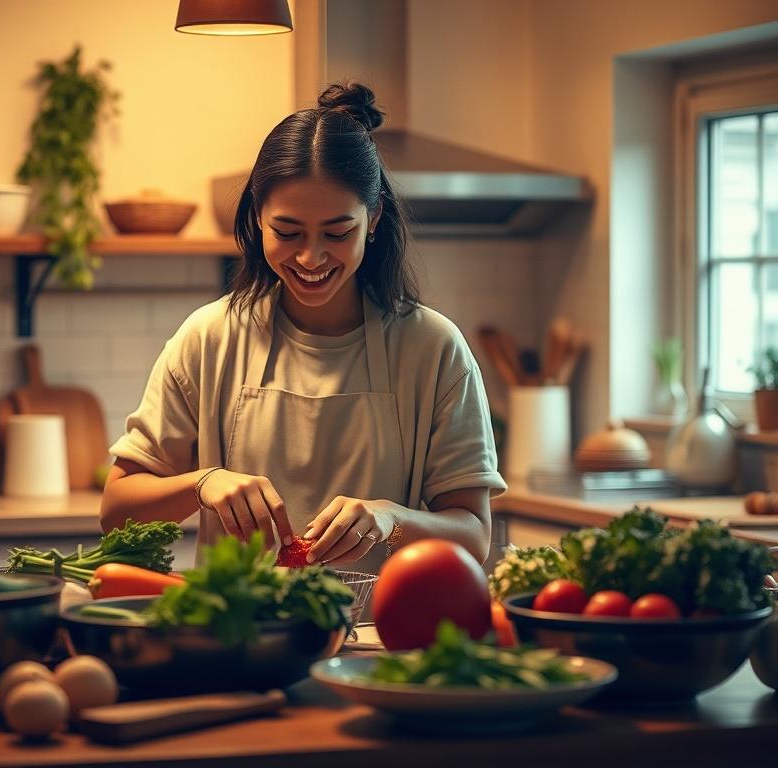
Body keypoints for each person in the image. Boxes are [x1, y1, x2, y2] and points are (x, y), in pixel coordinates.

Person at [101, 82, 506, 573]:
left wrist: (388, 518)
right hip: (241, 636)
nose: (310, 257)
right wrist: (203, 483)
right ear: (256, 216)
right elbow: (116, 510)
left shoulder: (434, 349)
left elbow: (474, 535)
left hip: (381, 638)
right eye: (287, 232)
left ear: (374, 218)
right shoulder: (208, 339)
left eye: (338, 233)